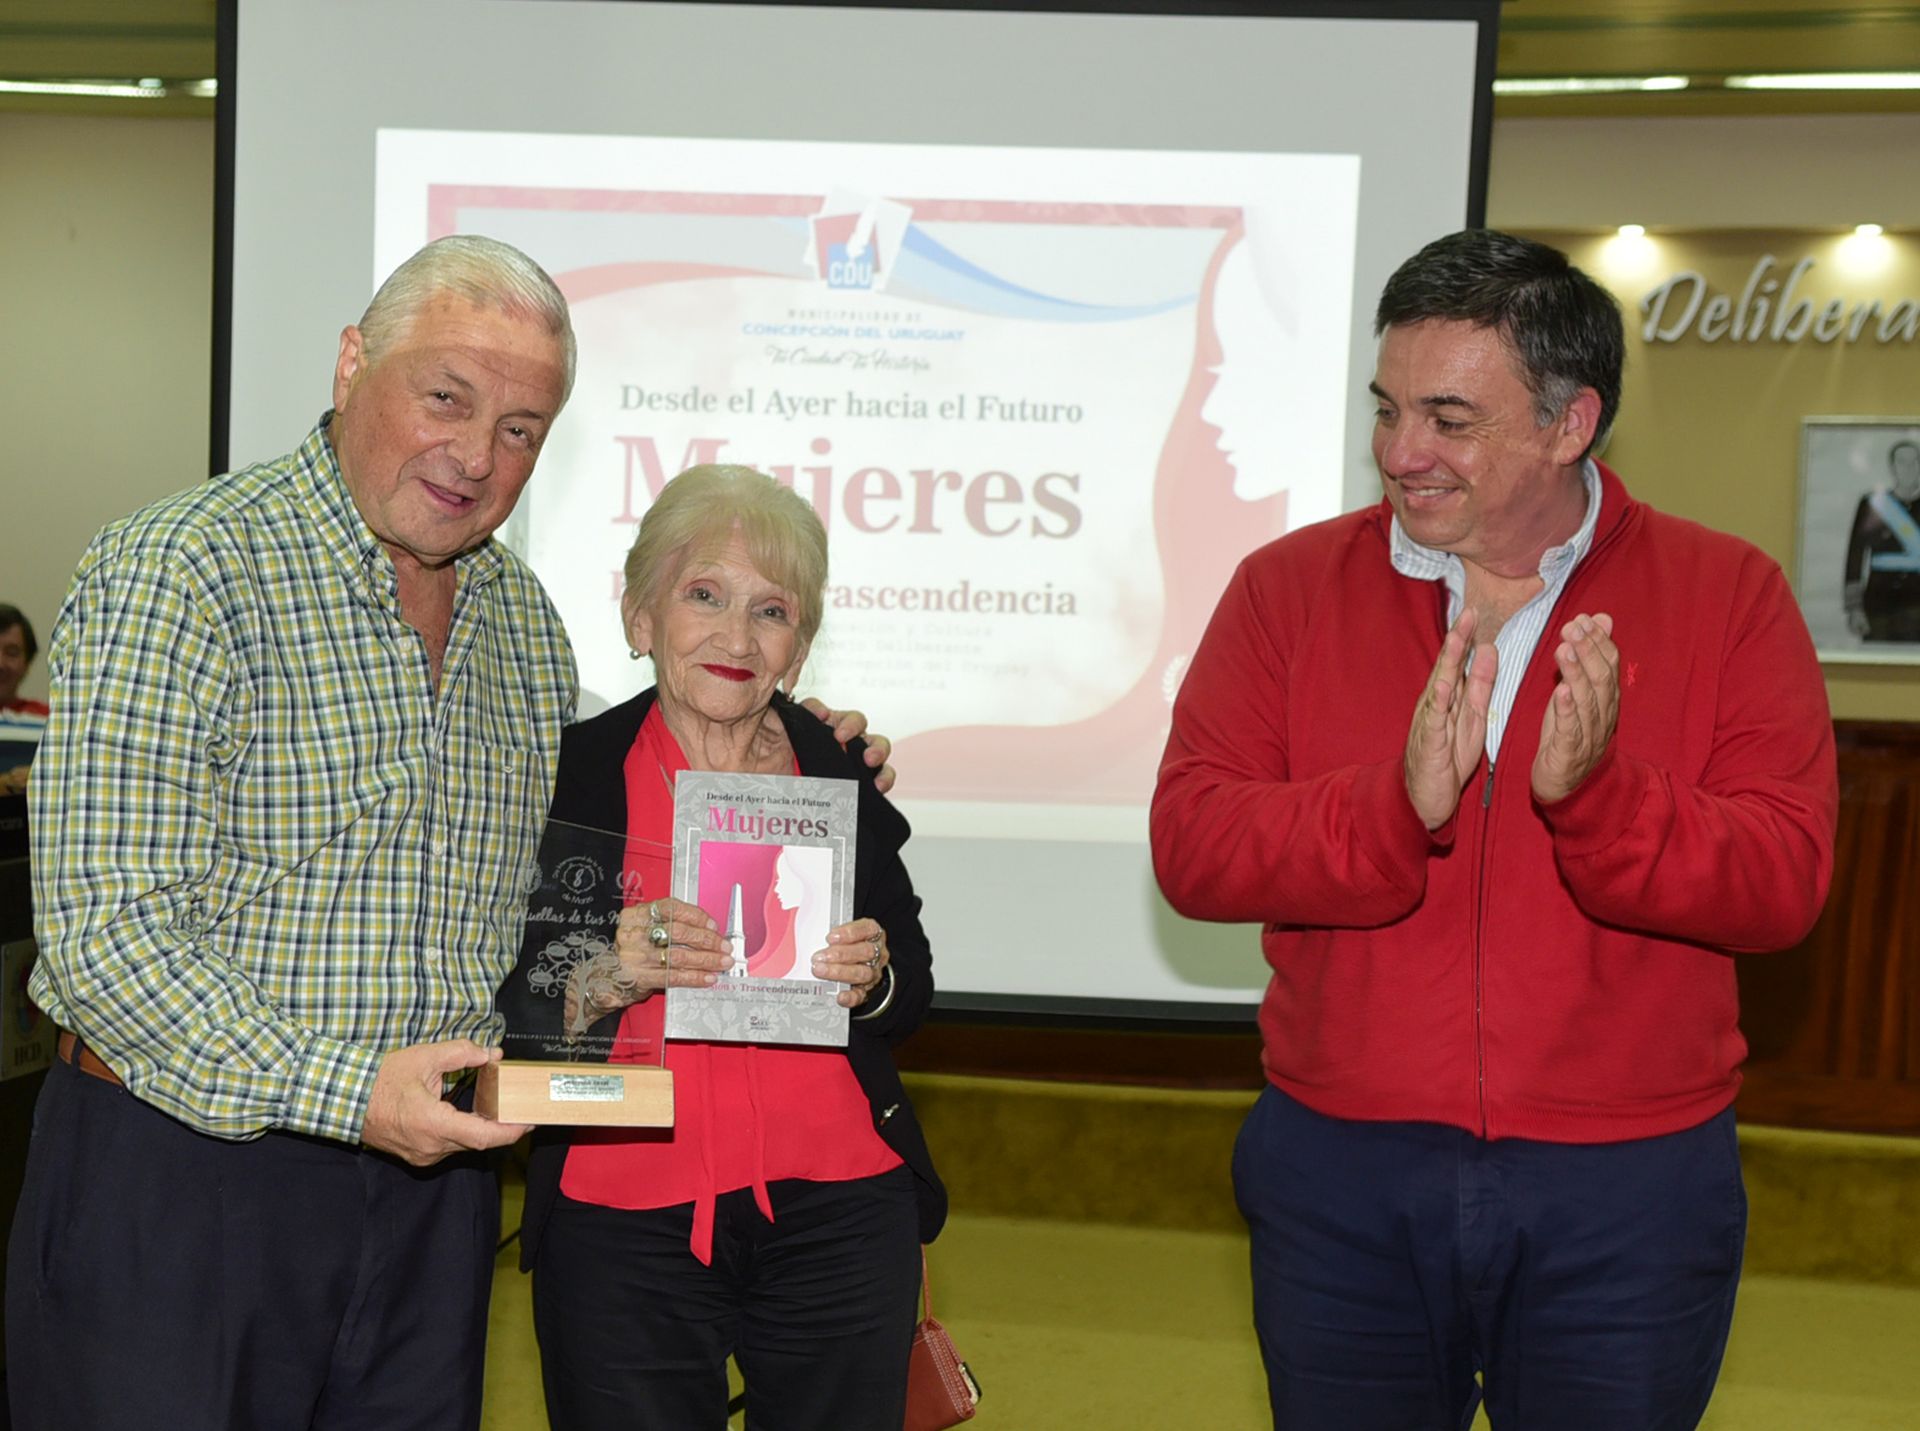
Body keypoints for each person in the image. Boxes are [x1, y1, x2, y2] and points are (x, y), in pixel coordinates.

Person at [8, 236, 892, 1431]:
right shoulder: (184, 570)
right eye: (446, 398)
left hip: (436, 1194)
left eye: (521, 428)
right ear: (351, 364)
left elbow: (546, 907)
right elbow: (108, 935)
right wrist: (351, 1093)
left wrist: (800, 742)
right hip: (187, 1169)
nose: (477, 456)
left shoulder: (522, 627)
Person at [1152, 229, 1837, 1430]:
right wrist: (1394, 806)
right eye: (1388, 409)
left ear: (1572, 424)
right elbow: (1196, 845)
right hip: (1341, 1171)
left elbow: (1783, 882)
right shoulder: (1284, 589)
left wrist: (1601, 801)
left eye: (1450, 420)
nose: (1399, 451)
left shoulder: (1729, 594)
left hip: (1628, 1189)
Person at [511, 463, 944, 1431]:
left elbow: (911, 990)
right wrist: (610, 971)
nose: (737, 637)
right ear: (641, 616)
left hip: (840, 1206)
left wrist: (871, 977)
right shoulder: (565, 776)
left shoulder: (838, 771)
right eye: (703, 595)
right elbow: (506, 1009)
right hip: (622, 1209)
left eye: (772, 611)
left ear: (800, 647)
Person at [1843, 437, 1920, 642]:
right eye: (1902, 462)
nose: (1908, 468)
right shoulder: (1873, 504)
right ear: (1892, 467)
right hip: (1879, 603)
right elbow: (1855, 556)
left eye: (1915, 462)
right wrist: (1854, 608)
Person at [0, 603, 47, 795]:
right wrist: (5, 785)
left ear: (27, 663)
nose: (0, 664)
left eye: (11, 653)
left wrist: (44, 779)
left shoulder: (53, 722)